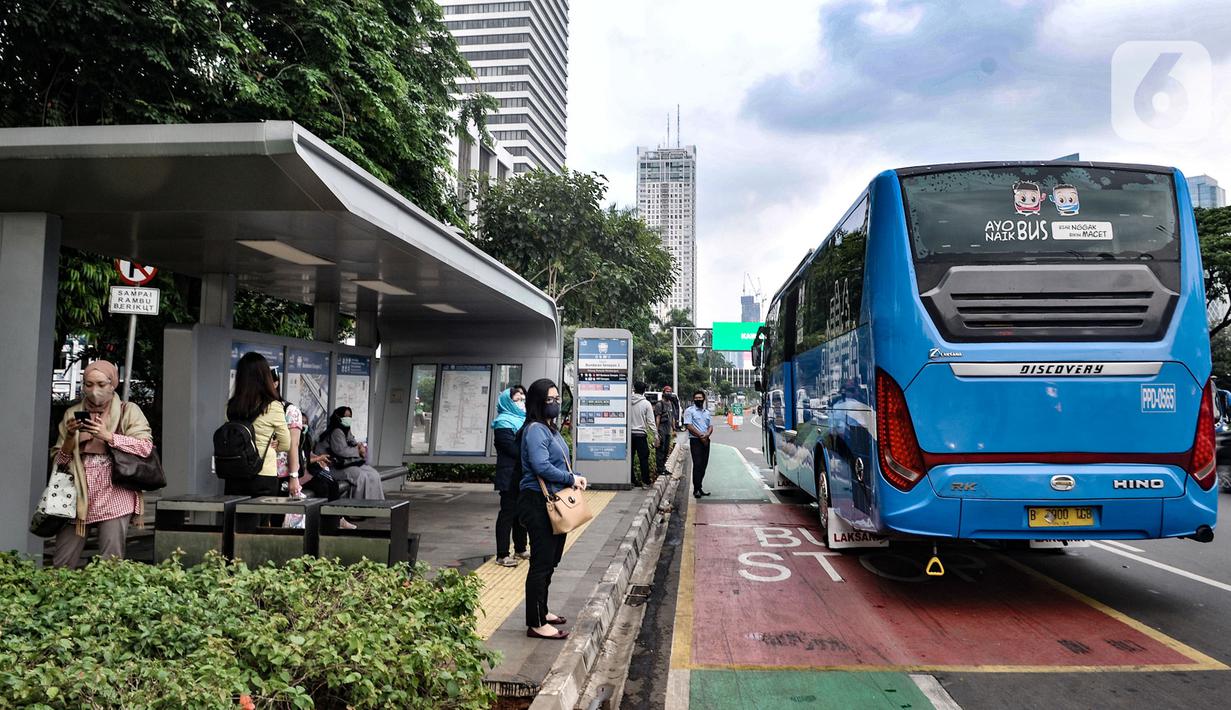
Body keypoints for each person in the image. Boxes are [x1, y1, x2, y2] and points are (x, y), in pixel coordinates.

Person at [49, 360, 155, 568]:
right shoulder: (72, 414)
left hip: (115, 493)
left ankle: (108, 599)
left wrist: (108, 436)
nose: (94, 390)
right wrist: (71, 436)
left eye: (101, 384)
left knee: (111, 561)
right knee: (62, 562)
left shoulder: (128, 411)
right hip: (77, 496)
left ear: (113, 384)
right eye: (88, 384)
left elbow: (145, 448)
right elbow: (59, 462)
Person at [519, 378, 588, 640]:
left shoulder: (551, 429)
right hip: (538, 502)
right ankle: (536, 623)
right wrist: (570, 479)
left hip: (553, 501)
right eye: (550, 399)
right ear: (538, 402)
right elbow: (541, 466)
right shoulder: (536, 429)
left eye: (558, 399)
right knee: (541, 563)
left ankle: (543, 610)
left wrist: (574, 475)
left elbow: (559, 464)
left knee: (550, 561)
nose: (555, 403)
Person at [224, 352, 292, 502]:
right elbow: (286, 443)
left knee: (236, 521)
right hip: (263, 474)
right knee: (259, 522)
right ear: (265, 377)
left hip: (235, 474)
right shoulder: (273, 406)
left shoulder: (232, 405)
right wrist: (274, 446)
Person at [491, 386, 529, 566]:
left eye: (523, 396)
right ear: (507, 401)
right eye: (516, 397)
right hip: (509, 475)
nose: (521, 400)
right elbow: (512, 449)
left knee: (521, 512)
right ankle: (502, 554)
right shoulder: (502, 422)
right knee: (507, 513)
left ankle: (520, 548)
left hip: (523, 475)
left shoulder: (525, 420)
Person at [319, 407, 385, 500]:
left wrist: (360, 446)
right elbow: (342, 451)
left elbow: (353, 442)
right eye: (345, 416)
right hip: (332, 467)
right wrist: (358, 450)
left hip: (346, 464)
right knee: (361, 477)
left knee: (374, 474)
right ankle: (359, 506)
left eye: (350, 416)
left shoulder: (346, 430)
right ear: (338, 417)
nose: (348, 419)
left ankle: (376, 503)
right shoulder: (336, 431)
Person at [683, 390, 714, 499]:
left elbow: (710, 426)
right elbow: (689, 426)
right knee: (697, 464)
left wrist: (707, 434)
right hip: (696, 441)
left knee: (703, 465)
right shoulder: (689, 411)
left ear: (704, 399)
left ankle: (700, 487)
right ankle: (696, 489)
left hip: (706, 441)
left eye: (700, 398)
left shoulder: (707, 412)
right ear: (693, 399)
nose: (698, 399)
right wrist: (701, 435)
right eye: (696, 398)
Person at [629, 382, 655, 488]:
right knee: (643, 458)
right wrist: (655, 434)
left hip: (628, 435)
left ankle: (631, 480)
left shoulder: (627, 401)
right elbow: (651, 421)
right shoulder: (646, 404)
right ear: (644, 391)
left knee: (629, 458)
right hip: (640, 435)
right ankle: (645, 482)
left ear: (634, 389)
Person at [653, 385, 676, 475]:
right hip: (661, 430)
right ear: (663, 392)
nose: (669, 393)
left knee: (666, 450)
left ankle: (663, 467)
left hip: (668, 431)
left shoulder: (671, 403)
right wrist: (656, 431)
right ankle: (659, 469)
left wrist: (674, 429)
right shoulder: (660, 404)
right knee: (660, 450)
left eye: (670, 391)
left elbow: (672, 417)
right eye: (667, 391)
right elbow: (657, 418)